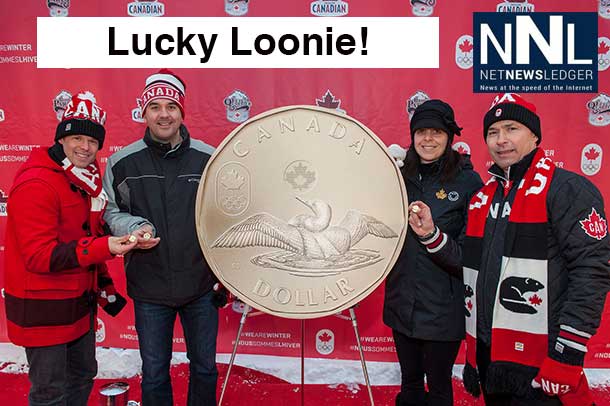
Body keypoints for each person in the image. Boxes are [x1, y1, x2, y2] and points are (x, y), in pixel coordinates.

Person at [414, 93, 610, 405]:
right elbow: (468, 264)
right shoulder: (483, 198)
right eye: (493, 132)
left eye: (511, 128)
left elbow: (593, 272)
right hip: (493, 360)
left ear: (534, 134)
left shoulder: (567, 188)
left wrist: (568, 352)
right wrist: (431, 235)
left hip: (545, 360)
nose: (501, 140)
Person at [3, 91, 136, 406]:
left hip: (77, 306)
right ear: (60, 140)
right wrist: (105, 247)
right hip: (44, 312)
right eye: (76, 137)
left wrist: (104, 285)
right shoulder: (38, 183)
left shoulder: (82, 180)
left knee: (82, 374)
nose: (85, 147)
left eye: (92, 142)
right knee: (50, 392)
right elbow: (39, 256)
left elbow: (83, 237)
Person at [103, 69, 222, 406]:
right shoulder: (122, 162)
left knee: (205, 368)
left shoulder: (208, 158)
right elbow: (110, 212)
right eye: (155, 106)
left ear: (182, 112)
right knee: (154, 371)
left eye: (171, 105)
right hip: (149, 286)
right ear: (144, 112)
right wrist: (134, 226)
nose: (164, 114)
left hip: (200, 286)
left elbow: (225, 214)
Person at [384, 99, 483, 406]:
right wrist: (377, 171)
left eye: (436, 132)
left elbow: (471, 257)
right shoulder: (397, 174)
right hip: (402, 301)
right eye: (421, 131)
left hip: (444, 309)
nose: (428, 139)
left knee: (439, 388)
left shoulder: (468, 181)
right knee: (410, 382)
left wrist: (432, 236)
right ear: (412, 135)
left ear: (449, 136)